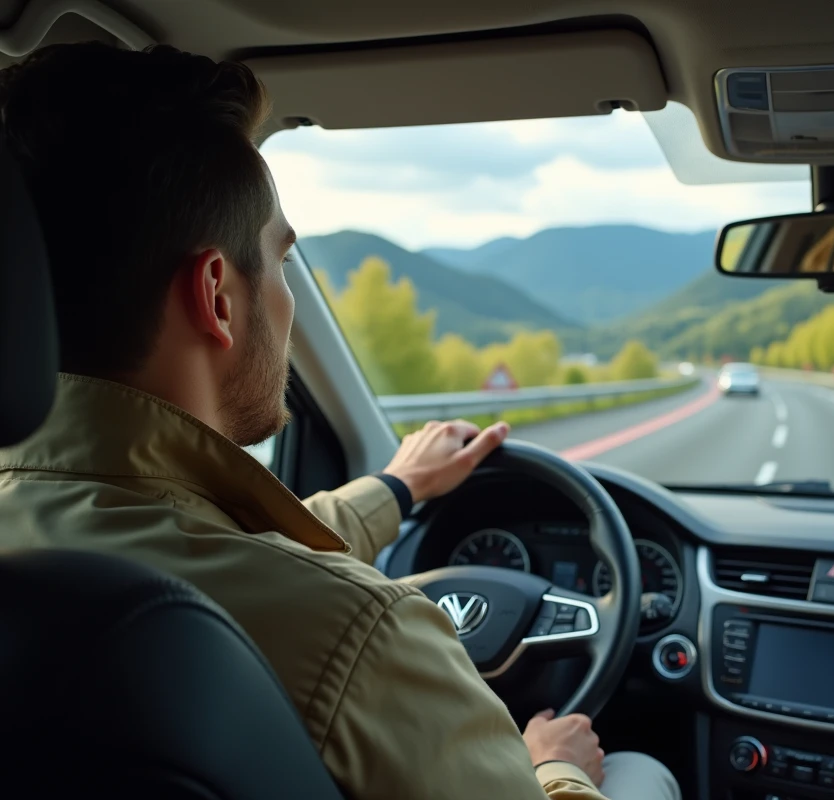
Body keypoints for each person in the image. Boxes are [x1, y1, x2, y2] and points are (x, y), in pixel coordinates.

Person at [0, 42, 679, 800]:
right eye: (282, 262)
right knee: (636, 773)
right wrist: (549, 767)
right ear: (218, 297)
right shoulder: (361, 633)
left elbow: (204, 543)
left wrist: (395, 487)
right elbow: (267, 578)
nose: (285, 296)